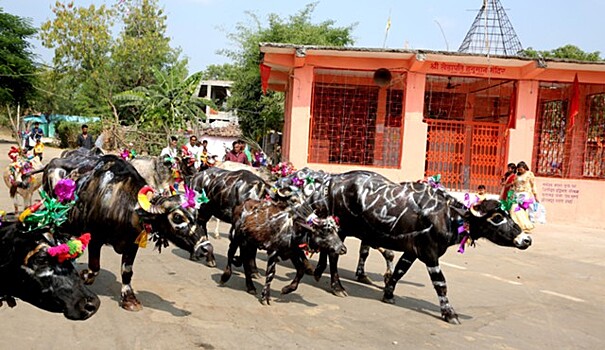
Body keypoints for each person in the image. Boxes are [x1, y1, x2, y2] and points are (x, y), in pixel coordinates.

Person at [509, 161, 538, 232]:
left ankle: (523, 225)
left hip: (524, 194)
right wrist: (512, 194)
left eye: (521, 169)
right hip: (517, 193)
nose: (520, 171)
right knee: (517, 210)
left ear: (525, 168)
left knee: (516, 208)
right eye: (518, 169)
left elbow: (533, 185)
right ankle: (521, 225)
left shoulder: (529, 174)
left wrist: (535, 195)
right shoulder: (517, 175)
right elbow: (514, 185)